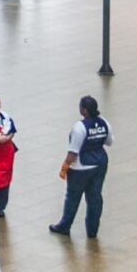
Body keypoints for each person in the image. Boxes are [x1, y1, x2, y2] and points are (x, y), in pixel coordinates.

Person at [49, 95, 110, 239]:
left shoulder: (79, 127)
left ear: (84, 110)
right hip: (100, 165)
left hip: (80, 168)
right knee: (95, 198)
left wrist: (65, 167)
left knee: (73, 198)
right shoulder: (104, 123)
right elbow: (109, 141)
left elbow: (73, 152)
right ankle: (92, 230)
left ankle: (64, 226)